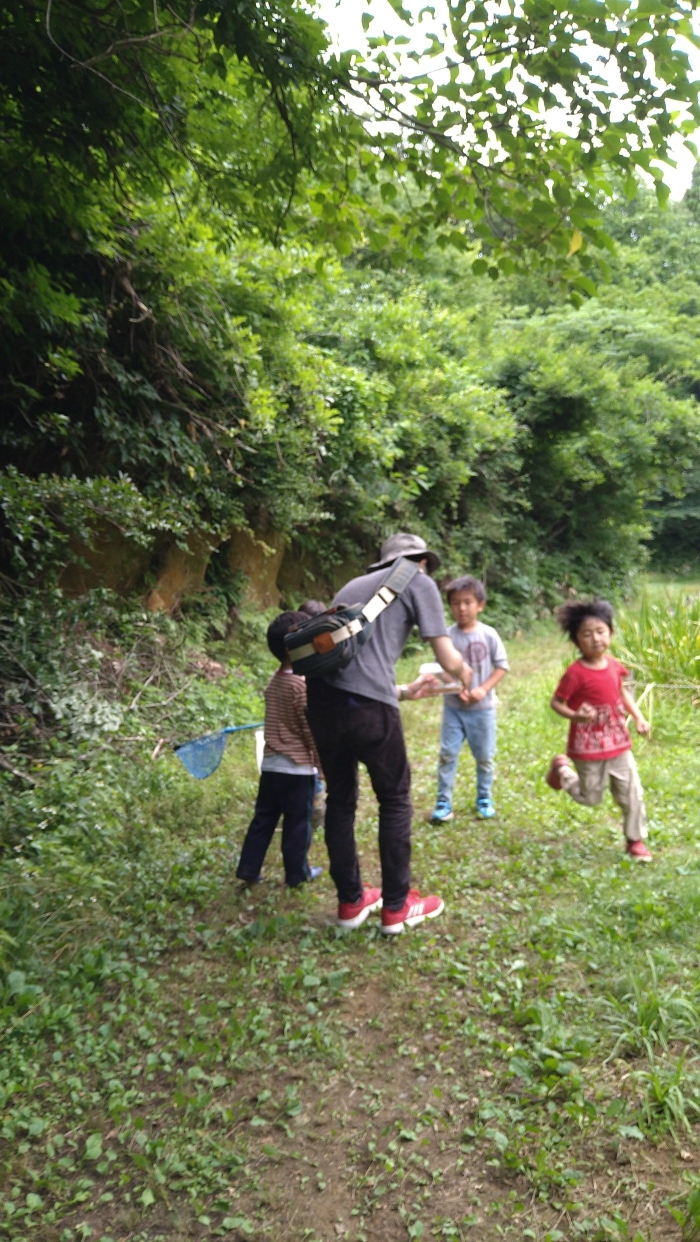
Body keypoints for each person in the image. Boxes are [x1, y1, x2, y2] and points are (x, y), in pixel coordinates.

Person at [305, 532, 473, 934]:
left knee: (341, 801)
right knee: (395, 799)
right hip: (371, 710)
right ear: (421, 561)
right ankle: (396, 907)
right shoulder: (419, 581)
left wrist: (404, 691)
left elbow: (347, 662)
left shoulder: (350, 586)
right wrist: (464, 672)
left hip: (322, 706)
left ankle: (350, 903)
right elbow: (446, 655)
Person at [545, 598, 652, 862]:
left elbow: (622, 692)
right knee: (590, 797)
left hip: (618, 741)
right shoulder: (575, 673)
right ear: (576, 641)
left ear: (611, 633)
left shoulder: (614, 666)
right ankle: (562, 770)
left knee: (632, 793)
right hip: (587, 745)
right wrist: (575, 716)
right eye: (586, 634)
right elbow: (556, 702)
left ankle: (635, 841)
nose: (595, 639)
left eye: (600, 631)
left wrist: (638, 717)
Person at [237, 611, 324, 888]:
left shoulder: (274, 682)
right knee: (297, 824)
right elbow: (309, 730)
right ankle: (298, 875)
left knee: (263, 819)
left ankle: (248, 868)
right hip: (297, 770)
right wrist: (321, 764)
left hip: (271, 765)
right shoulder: (301, 686)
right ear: (291, 648)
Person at [430, 575, 509, 823]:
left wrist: (483, 689)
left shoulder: (489, 634)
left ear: (480, 605)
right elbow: (440, 668)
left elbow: (502, 667)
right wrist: (455, 687)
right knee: (447, 754)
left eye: (467, 602)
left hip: (482, 710)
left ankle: (484, 798)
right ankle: (443, 802)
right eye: (455, 603)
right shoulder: (446, 637)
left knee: (484, 757)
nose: (461, 608)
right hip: (453, 709)